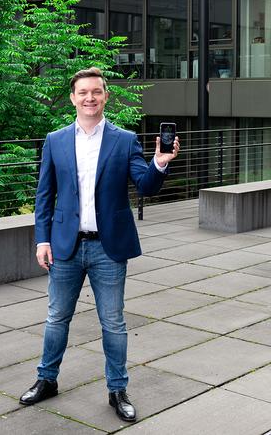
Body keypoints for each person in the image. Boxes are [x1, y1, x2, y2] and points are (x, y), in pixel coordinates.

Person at [19, 67, 180, 422]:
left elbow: (146, 185)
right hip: (65, 246)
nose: (89, 98)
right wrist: (41, 239)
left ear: (106, 96)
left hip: (109, 248)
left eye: (96, 92)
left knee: (113, 322)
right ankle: (46, 380)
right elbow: (44, 195)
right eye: (83, 92)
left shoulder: (124, 140)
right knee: (56, 317)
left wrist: (159, 162)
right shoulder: (55, 139)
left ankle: (117, 389)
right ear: (73, 98)